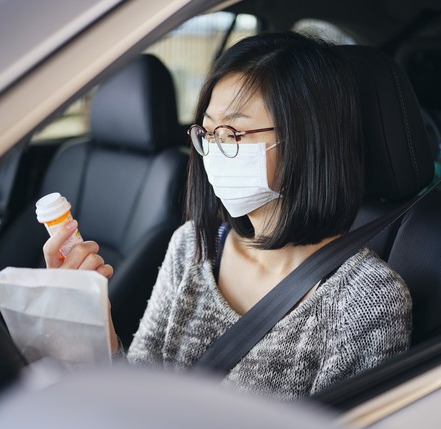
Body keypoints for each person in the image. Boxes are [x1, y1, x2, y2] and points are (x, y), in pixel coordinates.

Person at [43, 31, 412, 402]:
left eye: (233, 133)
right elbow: (137, 398)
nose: (214, 151)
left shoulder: (367, 299)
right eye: (208, 131)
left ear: (306, 139)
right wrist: (92, 318)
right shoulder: (193, 245)